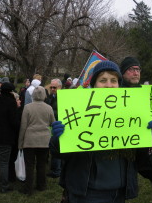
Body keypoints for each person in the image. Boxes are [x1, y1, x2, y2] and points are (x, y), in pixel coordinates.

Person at [50, 60, 139, 202]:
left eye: (113, 80)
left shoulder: (129, 113)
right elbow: (58, 153)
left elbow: (141, 154)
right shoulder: (79, 111)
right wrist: (58, 138)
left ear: (119, 84)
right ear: (94, 84)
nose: (109, 85)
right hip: (89, 193)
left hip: (119, 192)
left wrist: (150, 136)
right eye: (103, 80)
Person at [119, 56, 152, 203]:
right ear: (123, 73)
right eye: (131, 69)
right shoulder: (114, 94)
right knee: (120, 188)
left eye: (137, 69)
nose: (135, 73)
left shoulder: (147, 93)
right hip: (123, 152)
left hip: (144, 151)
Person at [18, 86, 55, 195]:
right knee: (41, 164)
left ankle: (28, 188)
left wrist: (20, 142)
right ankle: (41, 185)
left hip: (30, 141)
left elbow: (23, 126)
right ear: (44, 95)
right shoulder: (49, 108)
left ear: (33, 95)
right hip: (44, 140)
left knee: (29, 165)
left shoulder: (27, 107)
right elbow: (53, 123)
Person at [46, 78, 62, 178]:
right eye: (51, 87)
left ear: (60, 87)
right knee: (53, 148)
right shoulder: (51, 96)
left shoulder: (63, 98)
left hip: (59, 127)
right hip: (52, 126)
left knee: (57, 149)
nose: (52, 89)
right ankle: (55, 168)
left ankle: (57, 171)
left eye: (54, 87)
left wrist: (51, 113)